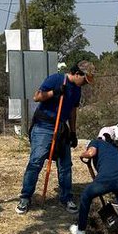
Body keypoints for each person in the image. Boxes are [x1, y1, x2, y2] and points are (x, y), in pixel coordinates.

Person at [15, 61, 95, 214]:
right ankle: (25, 197)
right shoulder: (56, 79)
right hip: (43, 125)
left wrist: (73, 132)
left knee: (65, 165)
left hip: (61, 128)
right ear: (77, 73)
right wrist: (55, 92)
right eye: (85, 80)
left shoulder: (77, 90)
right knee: (36, 162)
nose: (85, 84)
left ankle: (66, 198)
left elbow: (72, 111)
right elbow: (36, 97)